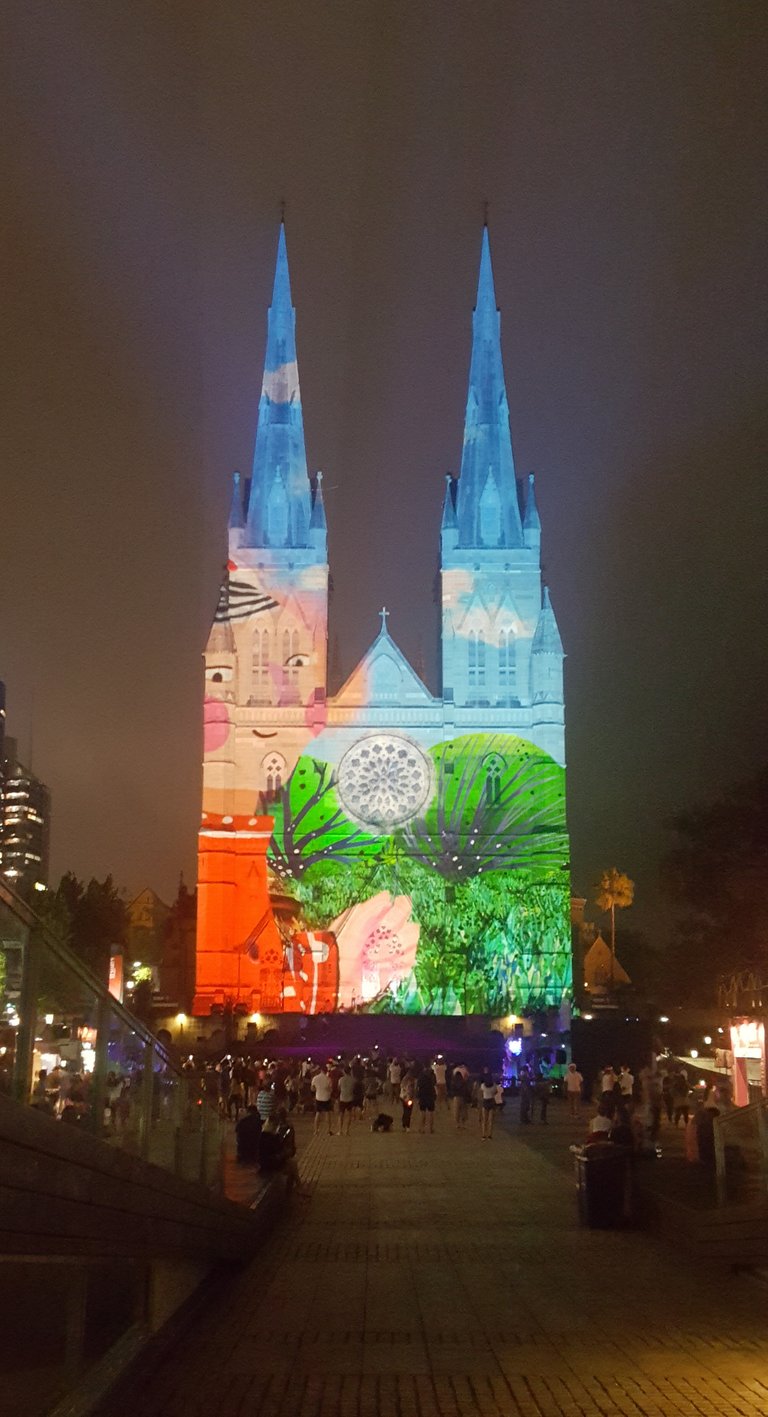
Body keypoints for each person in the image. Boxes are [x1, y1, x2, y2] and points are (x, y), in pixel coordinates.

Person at [258, 1108, 307, 1196]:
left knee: (292, 1164)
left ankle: (297, 1187)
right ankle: (297, 1188)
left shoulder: (265, 1135)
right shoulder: (271, 1137)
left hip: (266, 1162)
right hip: (269, 1164)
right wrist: (283, 1154)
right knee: (292, 1165)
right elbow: (277, 1151)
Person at [311, 1064, 335, 1136]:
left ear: (320, 1070)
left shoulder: (315, 1078)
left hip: (318, 1097)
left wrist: (317, 1089)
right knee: (327, 1114)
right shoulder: (328, 1079)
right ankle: (328, 1131)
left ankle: (316, 1131)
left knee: (318, 1114)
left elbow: (312, 1089)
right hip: (326, 1098)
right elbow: (331, 1090)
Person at [416, 1065, 437, 1133]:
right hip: (431, 1095)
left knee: (422, 1112)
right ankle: (431, 1128)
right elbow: (435, 1084)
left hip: (422, 1095)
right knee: (431, 1112)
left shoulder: (421, 1076)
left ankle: (422, 1128)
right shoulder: (432, 1076)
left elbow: (418, 1086)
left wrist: (417, 1096)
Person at [338, 1066, 356, 1135]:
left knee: (341, 1115)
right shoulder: (353, 1080)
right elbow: (354, 1089)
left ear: (344, 1071)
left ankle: (340, 1130)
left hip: (342, 1098)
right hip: (350, 1098)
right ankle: (347, 1130)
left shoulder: (341, 1079)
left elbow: (339, 1088)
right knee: (349, 1115)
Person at [478, 1071, 496, 1139]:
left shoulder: (483, 1085)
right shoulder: (494, 1085)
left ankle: (483, 1134)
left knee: (484, 1119)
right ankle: (490, 1134)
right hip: (491, 1101)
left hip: (485, 1101)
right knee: (490, 1120)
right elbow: (495, 1092)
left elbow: (481, 1092)